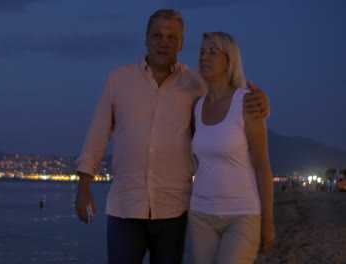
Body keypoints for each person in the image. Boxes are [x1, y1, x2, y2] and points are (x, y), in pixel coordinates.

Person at [75, 9, 270, 264]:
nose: (163, 42)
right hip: (125, 206)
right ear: (146, 38)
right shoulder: (118, 79)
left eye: (171, 37)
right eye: (157, 35)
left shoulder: (197, 84)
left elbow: (229, 100)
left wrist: (262, 102)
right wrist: (83, 187)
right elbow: (97, 135)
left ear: (181, 43)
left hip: (174, 208)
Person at [188, 32, 275, 264]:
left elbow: (262, 165)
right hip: (200, 214)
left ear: (230, 60)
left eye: (213, 52)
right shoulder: (197, 107)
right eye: (202, 51)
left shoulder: (246, 103)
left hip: (242, 214)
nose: (204, 57)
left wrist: (268, 222)